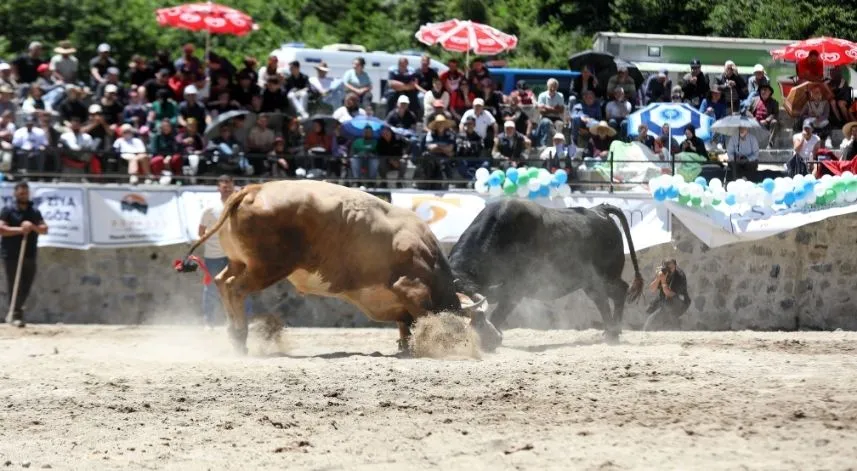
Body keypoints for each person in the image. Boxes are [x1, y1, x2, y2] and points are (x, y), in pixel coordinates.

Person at [198, 175, 252, 329]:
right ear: (218, 188)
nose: (226, 188)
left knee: (242, 287)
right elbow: (201, 232)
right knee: (211, 290)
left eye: (229, 186)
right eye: (223, 186)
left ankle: (245, 320)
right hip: (214, 255)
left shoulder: (240, 206)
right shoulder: (210, 208)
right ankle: (209, 322)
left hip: (235, 255)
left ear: (233, 187)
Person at [0, 182, 48, 327]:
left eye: (26, 193)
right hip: (11, 254)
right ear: (15, 194)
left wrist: (32, 227)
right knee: (15, 284)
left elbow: (44, 229)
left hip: (30, 253)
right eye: (21, 194)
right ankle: (14, 315)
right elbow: (2, 229)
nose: (24, 196)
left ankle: (16, 312)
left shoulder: (34, 211)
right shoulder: (8, 210)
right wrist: (21, 230)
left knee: (26, 285)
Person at [644, 259, 691, 331]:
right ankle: (673, 325)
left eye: (670, 268)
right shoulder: (663, 272)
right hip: (665, 300)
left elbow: (669, 294)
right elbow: (652, 289)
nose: (668, 270)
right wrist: (658, 278)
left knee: (654, 320)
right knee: (652, 311)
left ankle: (675, 327)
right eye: (667, 268)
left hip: (680, 302)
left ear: (675, 266)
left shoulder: (679, 276)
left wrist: (663, 281)